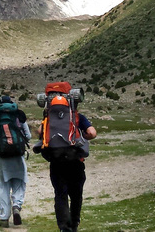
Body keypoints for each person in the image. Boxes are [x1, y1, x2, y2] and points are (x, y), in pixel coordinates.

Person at [34, 93, 97, 232]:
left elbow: (39, 132)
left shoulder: (49, 118)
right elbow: (92, 133)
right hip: (75, 161)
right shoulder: (76, 117)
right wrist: (81, 138)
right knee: (76, 194)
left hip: (56, 162)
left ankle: (63, 227)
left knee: (60, 194)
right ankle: (74, 224)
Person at [0, 95, 30, 227]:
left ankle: (4, 218)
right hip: (18, 155)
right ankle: (17, 206)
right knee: (20, 181)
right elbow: (28, 135)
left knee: (2, 186)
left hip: (1, 156)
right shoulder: (17, 115)